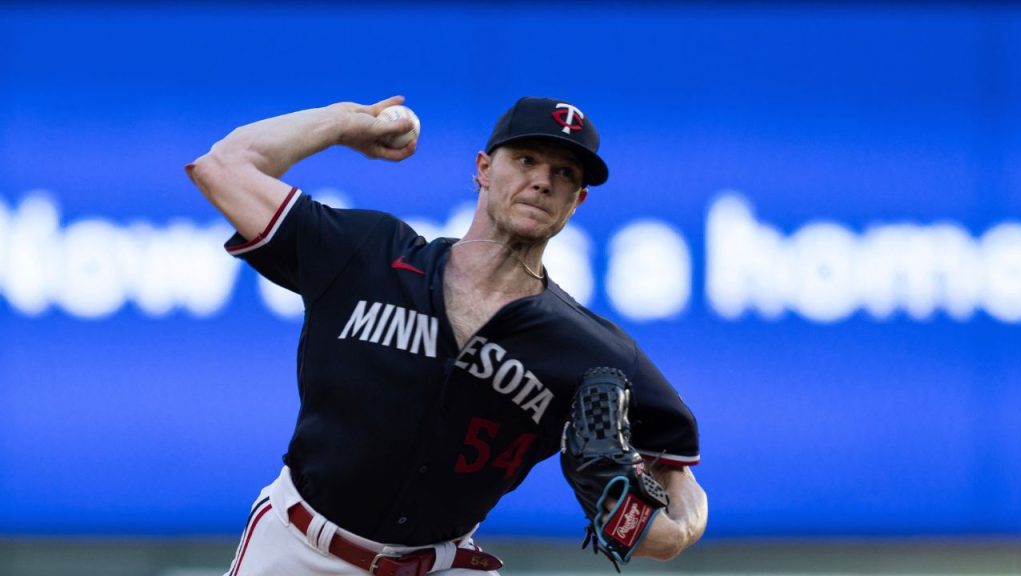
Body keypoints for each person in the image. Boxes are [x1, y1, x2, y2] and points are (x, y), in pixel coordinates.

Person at [187, 95, 708, 576]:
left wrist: (666, 530)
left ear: (578, 201)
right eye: (525, 160)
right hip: (297, 550)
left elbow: (679, 488)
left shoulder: (592, 352)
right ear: (483, 169)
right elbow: (224, 166)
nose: (542, 181)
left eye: (563, 173)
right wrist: (346, 122)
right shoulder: (367, 254)